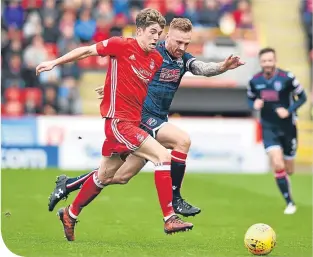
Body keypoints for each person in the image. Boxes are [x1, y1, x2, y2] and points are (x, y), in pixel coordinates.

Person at [47, 18, 245, 217]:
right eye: (178, 42)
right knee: (182, 140)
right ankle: (175, 200)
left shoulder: (183, 59)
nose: (182, 47)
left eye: (186, 43)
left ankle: (69, 184)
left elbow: (201, 68)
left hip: (158, 119)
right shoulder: (152, 52)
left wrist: (222, 67)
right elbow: (129, 71)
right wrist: (110, 88)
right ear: (167, 36)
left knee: (119, 176)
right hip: (143, 117)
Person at [36, 8, 194, 241]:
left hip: (133, 124)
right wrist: (55, 62)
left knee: (105, 177)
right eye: (152, 32)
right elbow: (87, 51)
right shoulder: (121, 45)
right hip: (119, 123)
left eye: (159, 33)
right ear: (139, 30)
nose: (156, 37)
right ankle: (169, 217)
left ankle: (70, 213)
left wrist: (111, 84)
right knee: (163, 157)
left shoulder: (156, 59)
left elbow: (141, 86)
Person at [247, 47, 307, 215]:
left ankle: (284, 179)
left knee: (289, 169)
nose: (267, 64)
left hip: (288, 127)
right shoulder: (254, 80)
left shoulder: (287, 78)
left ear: (275, 61)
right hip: (268, 127)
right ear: (260, 62)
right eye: (264, 61)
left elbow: (302, 97)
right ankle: (290, 202)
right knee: (277, 163)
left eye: (270, 60)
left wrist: (289, 110)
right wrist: (254, 104)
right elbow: (250, 98)